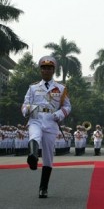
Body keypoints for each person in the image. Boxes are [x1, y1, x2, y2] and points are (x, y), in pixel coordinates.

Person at [21, 55, 72, 198]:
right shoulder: (33, 88)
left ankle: (43, 188)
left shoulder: (61, 88)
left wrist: (60, 114)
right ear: (40, 70)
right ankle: (32, 157)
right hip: (36, 118)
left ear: (53, 70)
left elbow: (67, 106)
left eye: (49, 68)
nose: (46, 70)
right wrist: (26, 110)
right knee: (34, 136)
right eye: (44, 68)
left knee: (48, 155)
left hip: (51, 120)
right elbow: (25, 104)